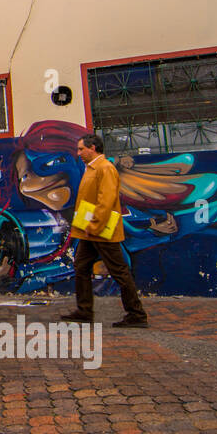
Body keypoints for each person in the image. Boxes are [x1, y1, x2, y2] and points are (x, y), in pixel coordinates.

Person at [60, 133, 149, 327]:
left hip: (99, 231)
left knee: (119, 271)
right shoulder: (91, 168)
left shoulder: (105, 168)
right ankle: (84, 311)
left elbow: (106, 201)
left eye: (81, 149)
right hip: (89, 231)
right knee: (81, 267)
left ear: (93, 148)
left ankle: (137, 315)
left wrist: (94, 225)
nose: (78, 153)